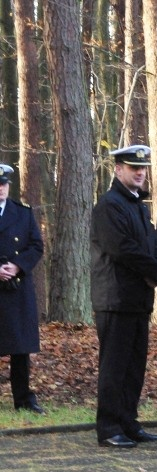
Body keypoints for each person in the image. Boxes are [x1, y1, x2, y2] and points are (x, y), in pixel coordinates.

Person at [90, 144, 157, 448]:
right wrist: (156, 270)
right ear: (118, 169)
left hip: (136, 299)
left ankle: (128, 422)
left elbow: (151, 243)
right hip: (114, 299)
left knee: (134, 366)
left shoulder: (137, 205)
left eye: (143, 168)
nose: (140, 173)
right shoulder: (109, 206)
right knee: (115, 366)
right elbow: (121, 248)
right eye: (133, 168)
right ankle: (109, 427)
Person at [0, 163, 45, 414]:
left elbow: (36, 246)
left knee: (20, 348)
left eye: (4, 184)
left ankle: (23, 399)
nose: (1, 189)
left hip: (16, 287)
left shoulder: (23, 213)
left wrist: (17, 266)